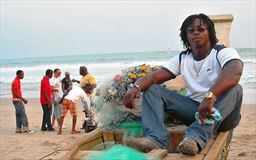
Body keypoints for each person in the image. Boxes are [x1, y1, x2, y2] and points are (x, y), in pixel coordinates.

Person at [123, 13, 243, 155]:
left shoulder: (221, 52)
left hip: (224, 115)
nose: (195, 33)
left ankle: (194, 139)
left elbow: (234, 70)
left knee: (236, 88)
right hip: (197, 112)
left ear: (209, 32)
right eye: (191, 30)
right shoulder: (183, 58)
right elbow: (155, 77)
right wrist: (134, 87)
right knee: (153, 89)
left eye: (201, 29)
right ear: (185, 36)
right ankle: (155, 140)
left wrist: (210, 96)